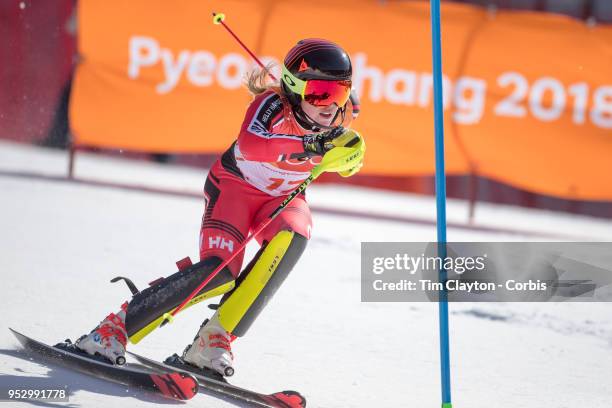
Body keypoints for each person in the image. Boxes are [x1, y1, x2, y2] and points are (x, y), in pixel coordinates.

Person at [73, 38, 364, 380]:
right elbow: (252, 145)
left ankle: (214, 339)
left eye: (339, 92)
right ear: (293, 87)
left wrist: (350, 156)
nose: (330, 105)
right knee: (220, 272)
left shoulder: (342, 112)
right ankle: (112, 330)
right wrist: (311, 144)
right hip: (235, 189)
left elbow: (352, 151)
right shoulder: (270, 104)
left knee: (295, 236)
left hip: (281, 198)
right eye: (319, 93)